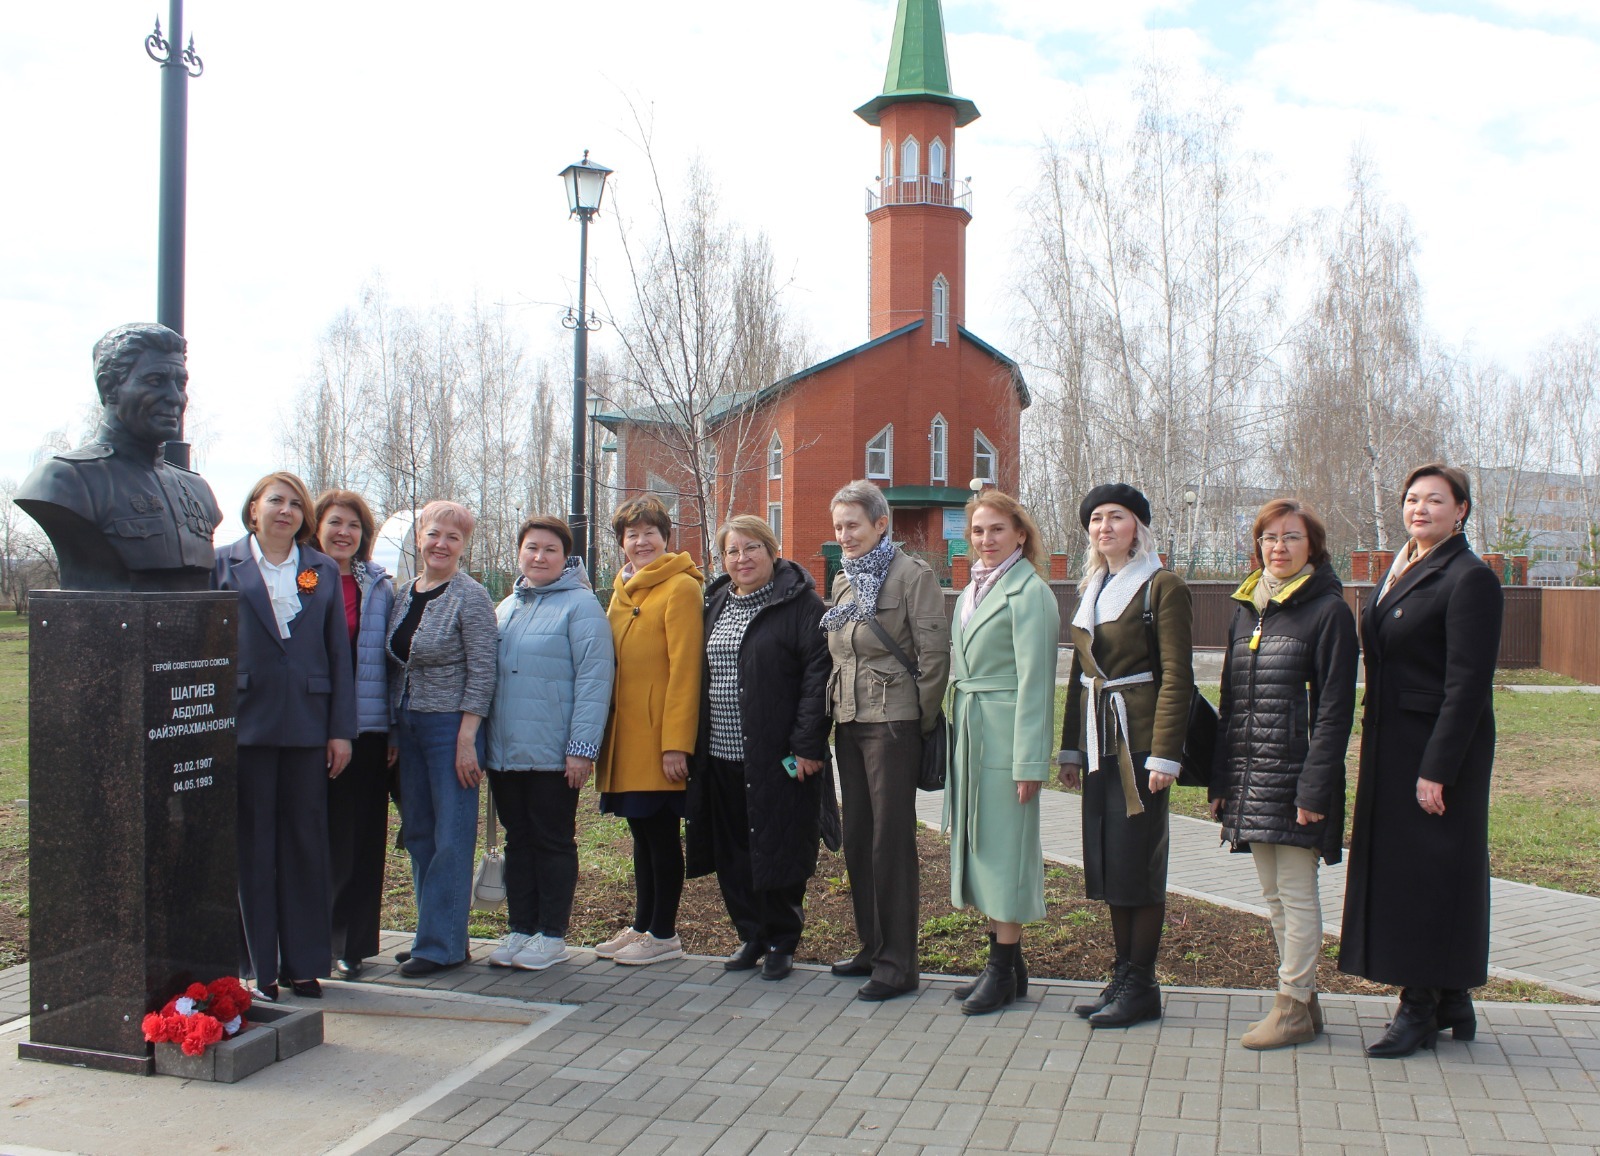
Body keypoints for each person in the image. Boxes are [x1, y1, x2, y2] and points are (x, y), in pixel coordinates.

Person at [1340, 464, 1504, 1058]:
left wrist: (1438, 768)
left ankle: (1419, 1008)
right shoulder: (1404, 564)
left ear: (1461, 510)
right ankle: (1452, 997)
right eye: (1412, 498)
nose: (1420, 508)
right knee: (1411, 871)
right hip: (1392, 743)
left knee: (1430, 876)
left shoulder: (1469, 579)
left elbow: (1468, 685)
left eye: (1436, 500)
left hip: (1438, 749)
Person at [1209, 499, 1357, 1049]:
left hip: (1296, 778)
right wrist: (1222, 782)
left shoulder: (1329, 612)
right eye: (1269, 537)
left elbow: (1335, 709)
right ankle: (1304, 1001)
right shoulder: (1249, 606)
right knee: (1273, 894)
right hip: (1251, 778)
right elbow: (1229, 700)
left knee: (1296, 893)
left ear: (1312, 547)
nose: (1278, 546)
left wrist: (1316, 786)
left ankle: (1291, 1005)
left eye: (1291, 537)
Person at [214, 472, 356, 1001]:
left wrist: (341, 730)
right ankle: (259, 968)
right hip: (244, 724)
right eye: (276, 500)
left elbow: (337, 656)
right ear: (253, 508)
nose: (287, 510)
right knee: (253, 846)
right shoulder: (221, 565)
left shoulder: (318, 568)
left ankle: (304, 963)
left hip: (306, 727)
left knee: (304, 845)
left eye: (297, 504)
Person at [1057, 483, 1193, 1028]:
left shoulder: (1163, 586)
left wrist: (1164, 755)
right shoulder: (1093, 587)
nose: (1105, 527)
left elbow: (1178, 675)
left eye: (1117, 517)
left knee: (1140, 861)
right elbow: (1080, 672)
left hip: (1138, 742)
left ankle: (1142, 983)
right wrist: (1069, 747)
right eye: (1096, 519)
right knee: (1113, 860)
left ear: (1138, 526)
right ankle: (1122, 975)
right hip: (1098, 739)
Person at [686, 515, 833, 982]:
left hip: (778, 754)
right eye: (732, 551)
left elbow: (817, 678)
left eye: (751, 548)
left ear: (772, 552)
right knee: (733, 848)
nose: (741, 559)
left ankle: (781, 940)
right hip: (720, 753)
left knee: (780, 843)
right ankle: (750, 932)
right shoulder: (715, 603)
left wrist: (807, 744)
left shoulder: (801, 605)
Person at [824, 480, 950, 1002]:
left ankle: (900, 963)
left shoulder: (911, 575)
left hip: (893, 723)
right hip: (849, 721)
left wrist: (915, 725)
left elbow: (935, 657)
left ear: (881, 524)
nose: (844, 535)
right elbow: (840, 653)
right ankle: (872, 947)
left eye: (853, 524)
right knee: (858, 838)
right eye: (838, 526)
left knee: (890, 842)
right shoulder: (844, 581)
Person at [944, 492, 1059, 1015]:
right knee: (981, 847)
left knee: (1005, 850)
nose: (985, 540)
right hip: (972, 730)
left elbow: (1037, 681)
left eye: (996, 530)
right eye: (977, 531)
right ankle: (1009, 968)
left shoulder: (1028, 592)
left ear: (1020, 535)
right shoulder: (975, 589)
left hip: (1005, 736)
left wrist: (1030, 760)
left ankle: (1001, 966)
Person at [484, 517, 615, 971]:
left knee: (552, 841)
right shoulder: (505, 608)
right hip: (506, 752)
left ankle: (552, 934)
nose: (539, 557)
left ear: (566, 558)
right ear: (519, 553)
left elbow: (595, 681)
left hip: (554, 754)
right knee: (518, 841)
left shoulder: (581, 607)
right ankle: (521, 928)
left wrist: (582, 748)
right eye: (531, 548)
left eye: (550, 550)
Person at [17, 321, 222, 591]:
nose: (175, 398)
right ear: (109, 387)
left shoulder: (199, 491)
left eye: (180, 383)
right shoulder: (63, 481)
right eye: (155, 381)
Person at [385, 500, 498, 978]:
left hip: (450, 727)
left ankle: (443, 945)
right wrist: (393, 727)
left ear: (463, 546)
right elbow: (396, 664)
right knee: (419, 835)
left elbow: (483, 670)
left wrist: (467, 736)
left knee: (451, 836)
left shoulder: (469, 596)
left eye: (453, 537)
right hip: (408, 726)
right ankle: (434, 935)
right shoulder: (403, 594)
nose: (441, 544)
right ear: (419, 538)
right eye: (434, 534)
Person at [593, 496, 704, 966]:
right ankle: (642, 924)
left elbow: (686, 670)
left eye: (650, 533)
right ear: (622, 543)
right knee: (641, 833)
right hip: (625, 736)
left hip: (658, 738)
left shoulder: (679, 587)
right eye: (631, 534)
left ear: (665, 537)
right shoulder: (623, 590)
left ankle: (663, 933)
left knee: (659, 835)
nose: (641, 542)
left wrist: (676, 743)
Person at [312, 489, 397, 982]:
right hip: (307, 730)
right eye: (335, 523)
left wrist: (392, 731)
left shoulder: (378, 586)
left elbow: (389, 665)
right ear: (318, 526)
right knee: (311, 839)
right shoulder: (300, 577)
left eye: (354, 526)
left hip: (365, 731)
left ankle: (351, 945)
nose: (344, 533)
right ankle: (306, 936)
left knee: (359, 841)